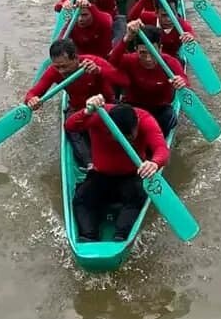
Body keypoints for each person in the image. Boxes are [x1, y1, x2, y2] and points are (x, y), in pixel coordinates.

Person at [66, 96, 169, 242]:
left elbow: (162, 150)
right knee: (81, 199)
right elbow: (70, 126)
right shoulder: (99, 116)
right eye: (118, 136)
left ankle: (121, 236)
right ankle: (88, 236)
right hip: (100, 174)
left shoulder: (145, 120)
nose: (124, 141)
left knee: (136, 198)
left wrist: (154, 163)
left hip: (131, 175)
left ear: (136, 126)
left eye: (129, 137)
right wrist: (86, 111)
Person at [25, 39, 126, 168]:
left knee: (125, 120)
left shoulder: (93, 62)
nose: (61, 71)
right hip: (79, 110)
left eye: (64, 66)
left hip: (107, 107)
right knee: (70, 128)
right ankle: (90, 164)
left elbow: (122, 80)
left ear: (75, 58)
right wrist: (32, 100)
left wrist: (99, 71)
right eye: (57, 67)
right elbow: (32, 93)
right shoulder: (54, 71)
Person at [108, 21, 187, 136]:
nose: (148, 59)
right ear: (136, 50)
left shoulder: (171, 63)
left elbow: (185, 82)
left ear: (160, 48)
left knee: (169, 117)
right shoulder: (129, 60)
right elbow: (112, 62)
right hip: (134, 106)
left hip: (160, 109)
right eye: (143, 53)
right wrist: (126, 38)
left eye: (152, 52)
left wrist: (181, 82)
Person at [128, 0, 196, 60]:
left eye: (172, 14)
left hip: (171, 60)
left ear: (177, 12)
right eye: (164, 15)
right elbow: (131, 18)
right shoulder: (148, 17)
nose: (169, 19)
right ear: (156, 12)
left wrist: (190, 38)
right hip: (148, 59)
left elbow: (191, 36)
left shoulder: (184, 26)